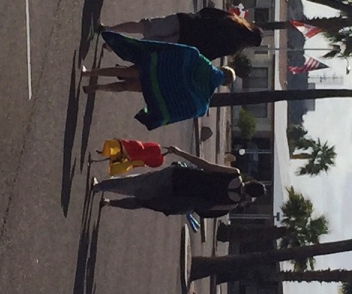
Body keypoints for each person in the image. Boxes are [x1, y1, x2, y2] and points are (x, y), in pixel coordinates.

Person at [81, 30, 235, 129]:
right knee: (126, 86)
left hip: (154, 68)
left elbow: (177, 52)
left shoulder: (199, 60)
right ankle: (96, 88)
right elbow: (182, 107)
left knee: (125, 72)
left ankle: (88, 73)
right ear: (223, 84)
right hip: (156, 86)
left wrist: (155, 55)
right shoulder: (202, 99)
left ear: (222, 69)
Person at [91, 146, 266, 216]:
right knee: (143, 202)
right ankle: (109, 203)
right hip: (178, 199)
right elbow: (205, 210)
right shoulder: (232, 205)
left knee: (139, 182)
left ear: (251, 182)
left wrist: (180, 152)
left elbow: (205, 165)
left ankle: (100, 186)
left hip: (179, 177)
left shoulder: (234, 174)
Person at [102, 7, 263, 60]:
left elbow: (208, 11)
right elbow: (209, 54)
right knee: (147, 44)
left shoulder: (234, 20)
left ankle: (110, 29)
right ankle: (113, 44)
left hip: (186, 22)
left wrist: (198, 17)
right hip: (185, 42)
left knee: (145, 27)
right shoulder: (233, 47)